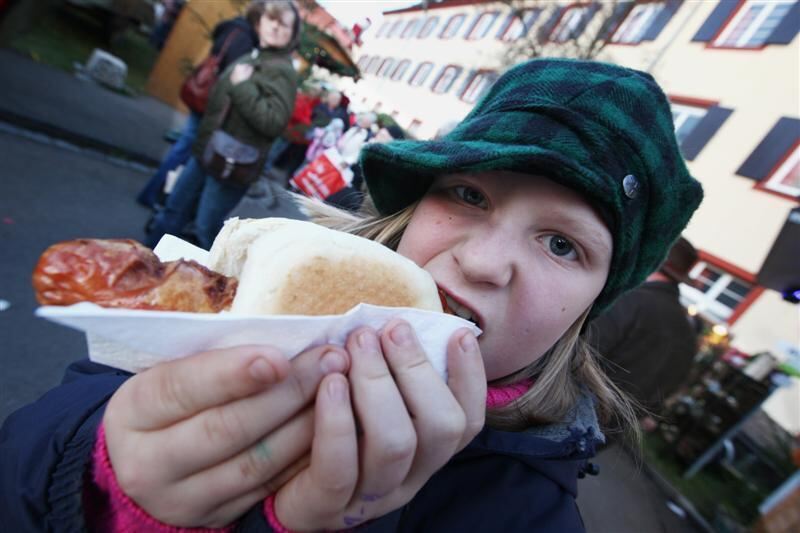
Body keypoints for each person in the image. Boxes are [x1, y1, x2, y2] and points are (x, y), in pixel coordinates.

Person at [1, 58, 704, 531]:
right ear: (414, 205)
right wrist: (104, 484)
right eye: (467, 193)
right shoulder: (236, 307)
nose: (485, 262)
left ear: (588, 310)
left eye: (562, 244)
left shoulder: (528, 515)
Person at [143, 0, 300, 250]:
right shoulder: (251, 56)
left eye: (284, 24)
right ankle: (148, 265)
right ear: (259, 21)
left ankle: (217, 280)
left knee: (207, 228)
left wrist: (242, 87)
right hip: (206, 151)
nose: (276, 27)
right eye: (272, 19)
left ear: (292, 34)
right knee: (174, 208)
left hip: (233, 162)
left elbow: (273, 123)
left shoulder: (284, 72)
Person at [137, 5, 264, 209]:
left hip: (203, 96)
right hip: (211, 103)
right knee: (187, 150)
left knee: (185, 147)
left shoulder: (232, 27)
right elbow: (232, 76)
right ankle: (155, 194)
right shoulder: (245, 38)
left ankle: (155, 193)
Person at [589, 236, 702, 428]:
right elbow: (663, 394)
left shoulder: (630, 300)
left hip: (558, 415)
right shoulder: (689, 335)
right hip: (602, 435)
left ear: (649, 261)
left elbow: (580, 354)